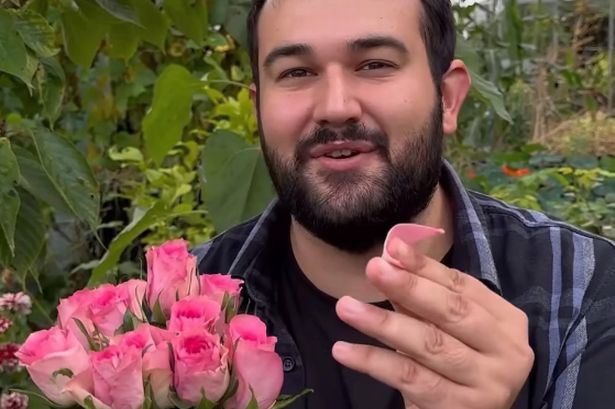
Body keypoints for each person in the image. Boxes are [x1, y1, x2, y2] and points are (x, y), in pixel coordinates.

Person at [193, 0, 615, 408]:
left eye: (375, 65)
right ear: (258, 108)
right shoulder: (180, 301)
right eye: (297, 72)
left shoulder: (581, 288)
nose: (336, 108)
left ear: (447, 98)